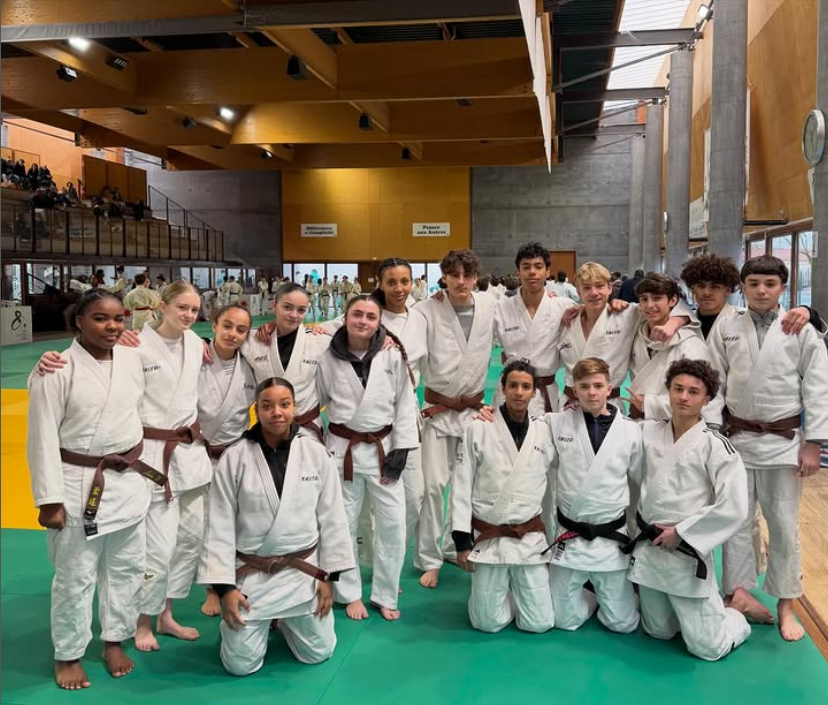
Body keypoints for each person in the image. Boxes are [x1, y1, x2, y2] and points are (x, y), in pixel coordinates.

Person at [27, 290, 163, 689]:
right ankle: (68, 653)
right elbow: (41, 438)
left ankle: (114, 639)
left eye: (119, 318)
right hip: (77, 484)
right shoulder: (56, 369)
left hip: (127, 482)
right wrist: (48, 499)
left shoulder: (132, 358)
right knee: (75, 577)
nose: (112, 326)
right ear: (79, 321)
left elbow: (176, 350)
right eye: (100, 318)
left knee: (127, 570)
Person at [198, 377, 354, 676]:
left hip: (303, 573)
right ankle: (255, 625)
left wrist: (328, 577)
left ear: (295, 407)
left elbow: (333, 519)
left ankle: (286, 622)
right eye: (267, 406)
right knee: (240, 665)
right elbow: (219, 526)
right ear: (257, 409)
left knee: (318, 652)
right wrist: (225, 590)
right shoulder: (235, 457)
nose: (277, 412)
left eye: (284, 404)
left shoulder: (315, 453)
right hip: (253, 575)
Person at [709, 255, 828, 641]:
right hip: (736, 440)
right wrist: (712, 435)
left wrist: (814, 443)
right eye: (754, 283)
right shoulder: (727, 325)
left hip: (784, 442)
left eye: (770, 284)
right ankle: (738, 592)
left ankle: (786, 602)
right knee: (736, 521)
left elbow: (817, 387)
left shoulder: (800, 328)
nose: (761, 291)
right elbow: (713, 382)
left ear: (783, 288)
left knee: (783, 524)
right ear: (742, 287)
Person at [627, 359, 751, 660]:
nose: (683, 397)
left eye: (693, 392)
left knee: (708, 648)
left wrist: (682, 532)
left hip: (685, 548)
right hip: (650, 547)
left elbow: (734, 505)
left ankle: (736, 612)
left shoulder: (715, 445)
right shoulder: (646, 431)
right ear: (668, 391)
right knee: (657, 631)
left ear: (707, 400)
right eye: (677, 389)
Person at [316, 259, 428, 567]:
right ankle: (366, 558)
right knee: (359, 504)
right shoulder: (366, 312)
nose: (399, 288)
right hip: (360, 419)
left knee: (412, 498)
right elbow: (320, 332)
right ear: (380, 283)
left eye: (404, 281)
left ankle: (389, 562)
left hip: (402, 415)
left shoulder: (421, 316)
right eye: (391, 282)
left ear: (413, 282)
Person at [317, 295, 419, 621]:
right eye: (357, 314)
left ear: (379, 322)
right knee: (342, 523)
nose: (363, 321)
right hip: (341, 450)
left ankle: (385, 592)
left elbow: (406, 402)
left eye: (370, 316)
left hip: (383, 449)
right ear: (345, 317)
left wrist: (402, 448)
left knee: (393, 524)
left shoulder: (392, 354)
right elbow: (315, 400)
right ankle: (348, 593)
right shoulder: (327, 355)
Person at [451, 361, 556, 633]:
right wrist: (461, 541)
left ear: (534, 392)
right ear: (503, 389)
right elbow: (461, 485)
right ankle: (504, 592)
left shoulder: (545, 430)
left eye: (526, 386)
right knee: (486, 623)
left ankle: (513, 591)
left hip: (528, 539)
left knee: (540, 623)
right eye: (513, 385)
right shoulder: (478, 428)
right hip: (490, 538)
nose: (519, 392)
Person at [416, 249, 496, 589]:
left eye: (467, 275)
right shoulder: (425, 309)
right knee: (433, 486)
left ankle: (453, 546)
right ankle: (429, 558)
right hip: (438, 411)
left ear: (476, 278)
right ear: (444, 277)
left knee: (467, 486)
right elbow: (390, 325)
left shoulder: (490, 305)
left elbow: (524, 316)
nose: (461, 282)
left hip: (473, 412)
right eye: (454, 275)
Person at [546, 357, 643, 633]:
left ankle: (607, 594)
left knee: (623, 624)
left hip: (611, 539)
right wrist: (489, 416)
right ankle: (591, 595)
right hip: (571, 537)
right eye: (584, 386)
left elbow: (640, 482)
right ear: (574, 389)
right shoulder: (556, 423)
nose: (592, 392)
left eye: (598, 386)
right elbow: (521, 428)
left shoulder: (631, 431)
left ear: (609, 388)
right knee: (563, 621)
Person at [557, 262, 691, 410]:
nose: (594, 292)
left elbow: (677, 308)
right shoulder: (568, 319)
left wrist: (673, 323)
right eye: (587, 288)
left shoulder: (627, 314)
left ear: (610, 288)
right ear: (578, 292)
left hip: (609, 405)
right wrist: (581, 307)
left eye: (599, 286)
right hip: (570, 404)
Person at [195, 305, 257, 617]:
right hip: (198, 452)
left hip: (235, 454)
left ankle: (237, 580)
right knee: (206, 523)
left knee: (239, 522)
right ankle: (212, 588)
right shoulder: (194, 357)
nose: (233, 334)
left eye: (241, 330)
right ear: (214, 325)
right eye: (227, 326)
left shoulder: (251, 365)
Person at [495, 242, 579, 416]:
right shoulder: (501, 307)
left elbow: (592, 316)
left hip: (544, 392)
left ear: (547, 272)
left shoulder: (563, 306)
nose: (532, 272)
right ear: (518, 272)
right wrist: (444, 296)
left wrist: (614, 306)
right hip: (510, 391)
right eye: (526, 267)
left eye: (538, 267)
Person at [625, 273, 720, 425]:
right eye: (644, 299)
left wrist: (647, 404)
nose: (649, 305)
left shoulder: (690, 345)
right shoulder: (637, 334)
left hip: (676, 425)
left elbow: (701, 399)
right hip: (638, 423)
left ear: (673, 301)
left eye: (657, 298)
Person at [243, 283, 332, 439]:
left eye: (301, 310)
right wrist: (203, 342)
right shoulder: (252, 340)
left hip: (307, 428)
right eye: (287, 307)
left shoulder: (319, 340)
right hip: (268, 429)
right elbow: (223, 342)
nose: (294, 315)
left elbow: (354, 330)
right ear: (274, 306)